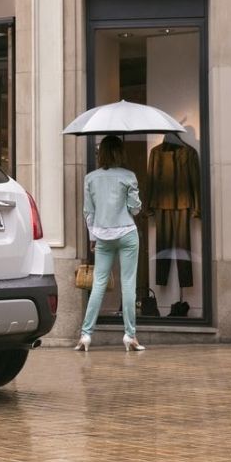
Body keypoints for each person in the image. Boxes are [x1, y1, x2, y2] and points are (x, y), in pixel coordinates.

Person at [75, 135, 146, 352]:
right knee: (128, 284)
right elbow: (135, 209)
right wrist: (133, 199)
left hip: (102, 235)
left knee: (98, 284)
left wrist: (92, 238)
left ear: (101, 154)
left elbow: (88, 212)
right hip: (127, 233)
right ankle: (130, 335)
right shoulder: (129, 176)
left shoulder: (91, 178)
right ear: (120, 153)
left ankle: (86, 335)